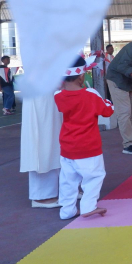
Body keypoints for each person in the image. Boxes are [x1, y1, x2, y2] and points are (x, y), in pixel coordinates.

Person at [55, 56, 115, 219]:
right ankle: (88, 206)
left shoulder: (58, 96)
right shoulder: (90, 94)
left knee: (68, 180)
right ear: (82, 76)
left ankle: (67, 210)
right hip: (88, 146)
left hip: (67, 147)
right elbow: (107, 110)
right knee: (94, 176)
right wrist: (108, 102)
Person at [20, 93, 62, 208]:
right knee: (43, 140)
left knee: (56, 139)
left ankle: (66, 187)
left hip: (51, 90)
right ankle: (42, 195)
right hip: (40, 92)